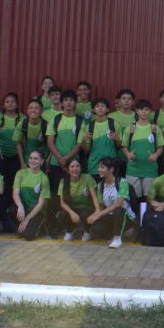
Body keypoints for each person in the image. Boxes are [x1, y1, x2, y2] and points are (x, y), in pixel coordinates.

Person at [46, 90, 84, 237]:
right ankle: (55, 227)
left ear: (75, 103)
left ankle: (72, 226)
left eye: (71, 100)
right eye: (66, 100)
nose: (68, 102)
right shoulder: (55, 120)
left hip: (74, 165)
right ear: (61, 103)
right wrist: (60, 158)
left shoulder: (80, 121)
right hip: (56, 164)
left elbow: (80, 144)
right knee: (56, 197)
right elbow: (50, 141)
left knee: (72, 195)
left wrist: (67, 159)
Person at [87, 157, 137, 248]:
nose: (99, 170)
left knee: (118, 211)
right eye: (99, 167)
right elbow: (101, 207)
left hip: (125, 217)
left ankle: (118, 239)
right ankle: (113, 235)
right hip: (111, 217)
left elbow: (119, 204)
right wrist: (94, 215)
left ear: (111, 169)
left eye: (102, 167)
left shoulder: (122, 182)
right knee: (95, 227)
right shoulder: (100, 186)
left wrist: (99, 214)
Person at [122, 99, 164, 198]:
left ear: (150, 111)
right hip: (133, 168)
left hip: (150, 168)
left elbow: (160, 147)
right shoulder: (130, 128)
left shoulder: (155, 128)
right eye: (141, 109)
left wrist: (155, 155)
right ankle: (136, 214)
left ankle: (146, 214)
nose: (144, 111)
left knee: (149, 198)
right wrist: (128, 154)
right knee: (133, 197)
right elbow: (123, 146)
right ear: (137, 111)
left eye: (146, 109)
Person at [57, 156, 99, 242]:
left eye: (77, 166)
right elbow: (62, 203)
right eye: (72, 166)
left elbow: (95, 198)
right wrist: (71, 212)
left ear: (80, 168)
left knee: (85, 214)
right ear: (67, 170)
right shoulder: (63, 182)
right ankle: (70, 231)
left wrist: (97, 210)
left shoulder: (87, 178)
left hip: (86, 208)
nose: (75, 169)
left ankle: (87, 232)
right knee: (62, 214)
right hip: (73, 209)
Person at [13, 150, 52, 240]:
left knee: (28, 236)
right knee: (11, 210)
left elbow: (41, 204)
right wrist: (20, 206)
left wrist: (27, 219)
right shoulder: (20, 173)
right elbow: (15, 193)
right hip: (24, 209)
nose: (32, 160)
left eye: (35, 158)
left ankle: (40, 228)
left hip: (36, 211)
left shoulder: (44, 178)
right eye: (31, 158)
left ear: (42, 161)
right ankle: (22, 227)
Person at [81, 97, 121, 178]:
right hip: (94, 165)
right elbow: (86, 150)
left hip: (111, 166)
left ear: (107, 110)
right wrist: (83, 141)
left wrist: (117, 139)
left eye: (103, 106)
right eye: (97, 106)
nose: (100, 108)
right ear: (93, 110)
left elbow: (119, 146)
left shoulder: (114, 124)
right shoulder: (90, 126)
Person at [13, 98, 49, 169]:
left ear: (41, 111)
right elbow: (18, 143)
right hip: (28, 160)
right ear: (27, 111)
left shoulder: (46, 125)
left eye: (36, 108)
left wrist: (48, 161)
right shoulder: (22, 124)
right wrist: (22, 163)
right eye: (30, 108)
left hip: (43, 161)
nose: (33, 110)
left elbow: (51, 144)